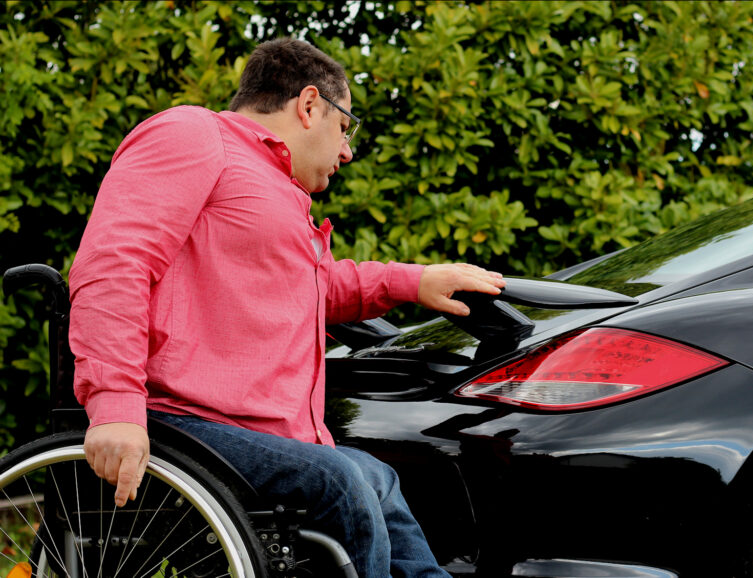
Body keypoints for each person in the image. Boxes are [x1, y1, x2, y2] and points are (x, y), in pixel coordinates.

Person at [68, 37, 504, 577]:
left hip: (261, 436)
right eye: (346, 128)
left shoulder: (274, 190)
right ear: (309, 105)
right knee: (340, 480)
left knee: (374, 476)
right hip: (184, 418)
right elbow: (114, 263)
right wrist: (114, 405)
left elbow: (311, 287)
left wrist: (412, 281)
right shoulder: (194, 134)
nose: (347, 151)